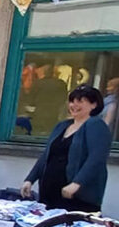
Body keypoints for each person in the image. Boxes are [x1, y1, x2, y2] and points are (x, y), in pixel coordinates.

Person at [21, 85, 111, 213]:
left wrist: (76, 184)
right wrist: (30, 179)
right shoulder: (62, 126)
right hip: (50, 193)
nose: (74, 105)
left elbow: (96, 159)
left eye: (80, 101)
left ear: (94, 104)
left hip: (76, 196)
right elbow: (47, 155)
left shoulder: (96, 125)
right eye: (72, 101)